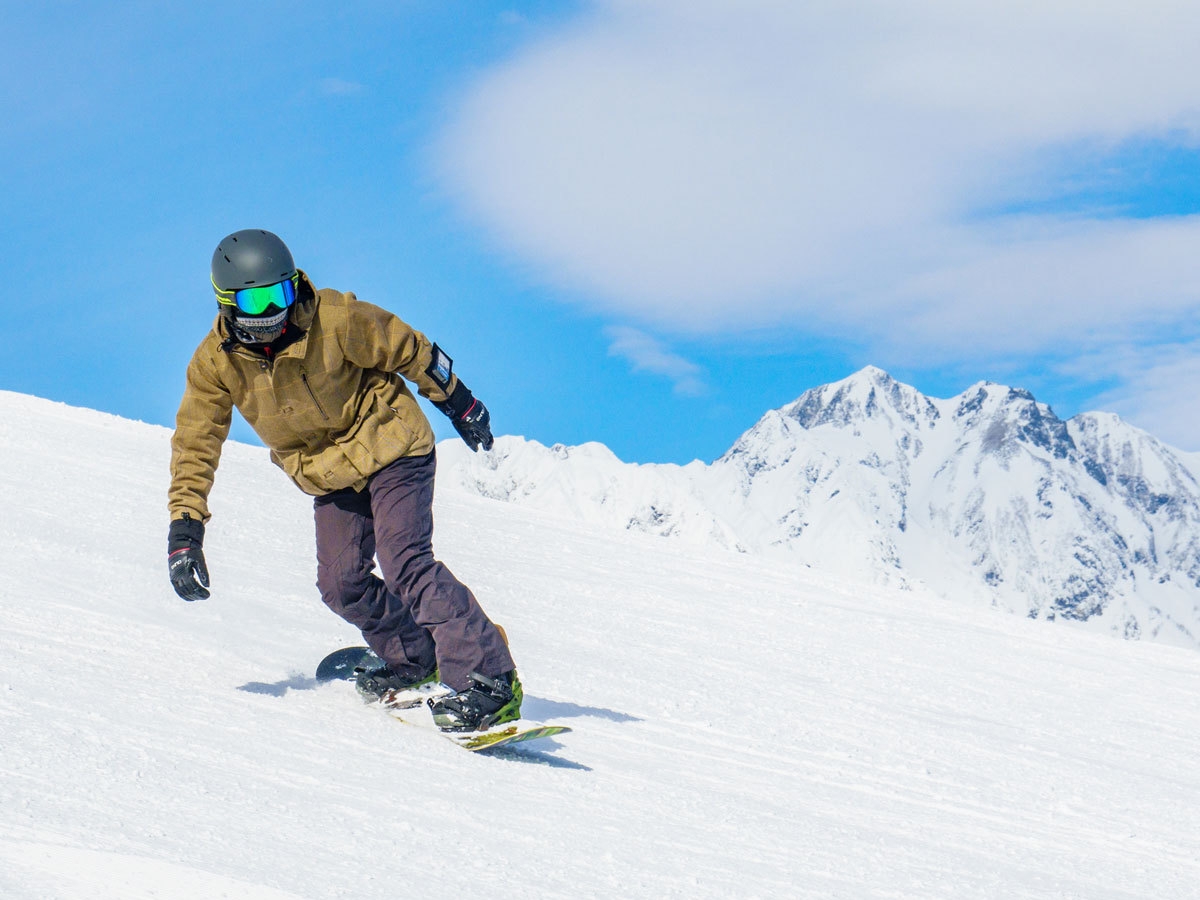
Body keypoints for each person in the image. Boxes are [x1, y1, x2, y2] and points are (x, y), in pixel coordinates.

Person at [166, 228, 520, 732]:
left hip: (392, 445)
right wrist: (186, 531)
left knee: (405, 564)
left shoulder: (334, 318)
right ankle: (416, 655)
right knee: (340, 584)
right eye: (258, 299)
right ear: (228, 304)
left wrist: (458, 400)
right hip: (329, 473)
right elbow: (195, 442)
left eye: (282, 293)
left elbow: (409, 347)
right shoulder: (215, 364)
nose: (274, 310)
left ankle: (489, 679)